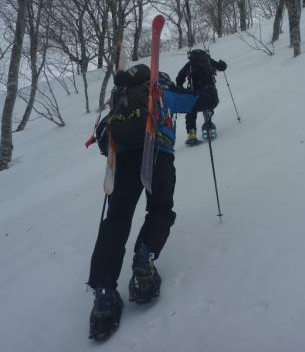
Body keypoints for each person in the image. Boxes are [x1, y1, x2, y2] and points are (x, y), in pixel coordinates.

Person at [87, 63, 213, 342]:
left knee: (116, 221)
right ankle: (144, 262)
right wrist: (205, 73)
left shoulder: (120, 99)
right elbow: (204, 100)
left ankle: (104, 295)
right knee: (159, 209)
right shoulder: (160, 90)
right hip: (157, 154)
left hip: (122, 161)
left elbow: (104, 134)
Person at [175, 49, 227, 144]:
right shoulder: (208, 60)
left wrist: (180, 88)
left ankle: (191, 134)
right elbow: (222, 67)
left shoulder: (190, 64)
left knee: (191, 111)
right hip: (209, 91)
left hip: (194, 91)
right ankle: (208, 123)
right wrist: (222, 63)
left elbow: (179, 77)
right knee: (208, 104)